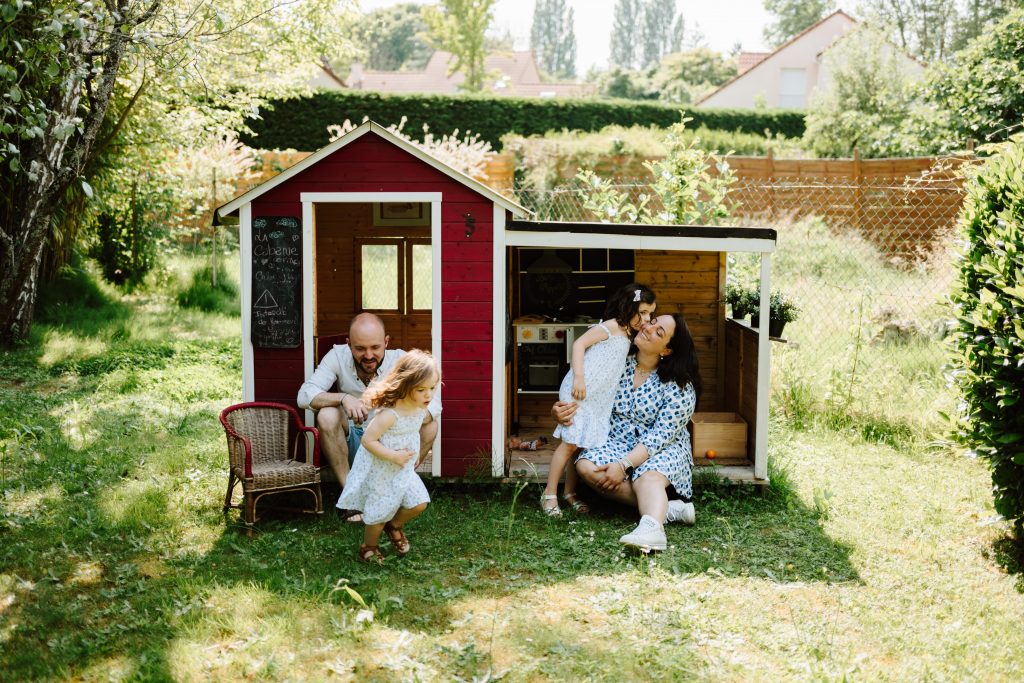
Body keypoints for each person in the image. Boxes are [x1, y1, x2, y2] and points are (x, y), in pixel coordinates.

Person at [553, 313, 701, 551]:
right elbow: (585, 394)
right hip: (618, 441)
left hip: (662, 448)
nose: (648, 328)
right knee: (586, 467)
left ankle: (652, 529)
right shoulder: (618, 362)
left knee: (647, 477)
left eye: (659, 332)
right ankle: (669, 508)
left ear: (666, 351)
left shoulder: (679, 385)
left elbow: (658, 438)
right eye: (652, 322)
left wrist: (623, 465)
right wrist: (559, 410)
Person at [296, 313, 441, 520]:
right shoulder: (337, 355)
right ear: (348, 344)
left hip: (390, 443)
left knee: (431, 425)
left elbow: (435, 404)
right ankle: (352, 499)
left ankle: (400, 487)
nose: (369, 355)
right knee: (326, 415)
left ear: (386, 342)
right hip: (353, 438)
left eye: (375, 347)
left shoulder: (400, 359)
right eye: (360, 348)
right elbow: (304, 395)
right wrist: (344, 398)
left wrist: (398, 417)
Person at [540, 283, 657, 516]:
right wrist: (579, 378)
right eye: (642, 312)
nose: (646, 318)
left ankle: (570, 493)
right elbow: (579, 344)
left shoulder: (629, 335)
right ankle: (549, 493)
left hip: (598, 398)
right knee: (569, 443)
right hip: (580, 390)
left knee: (581, 444)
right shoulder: (611, 327)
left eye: (650, 314)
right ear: (628, 306)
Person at [336, 350, 439, 563]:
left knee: (419, 502)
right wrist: (393, 456)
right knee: (379, 513)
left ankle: (395, 525)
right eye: (421, 389)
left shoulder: (420, 407)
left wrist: (413, 456)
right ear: (406, 385)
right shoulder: (390, 414)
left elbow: (410, 434)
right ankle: (368, 546)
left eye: (432, 388)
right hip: (383, 467)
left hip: (402, 465)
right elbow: (368, 441)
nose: (429, 395)